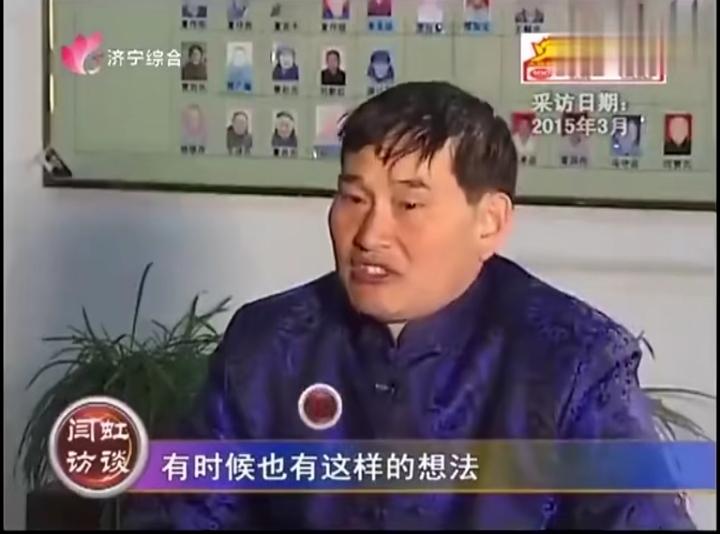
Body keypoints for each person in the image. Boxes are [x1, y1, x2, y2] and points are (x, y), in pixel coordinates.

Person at [121, 82, 695, 530]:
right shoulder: (269, 344)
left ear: (489, 221)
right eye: (353, 197)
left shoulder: (573, 362)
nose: (370, 234)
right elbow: (180, 514)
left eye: (409, 204)